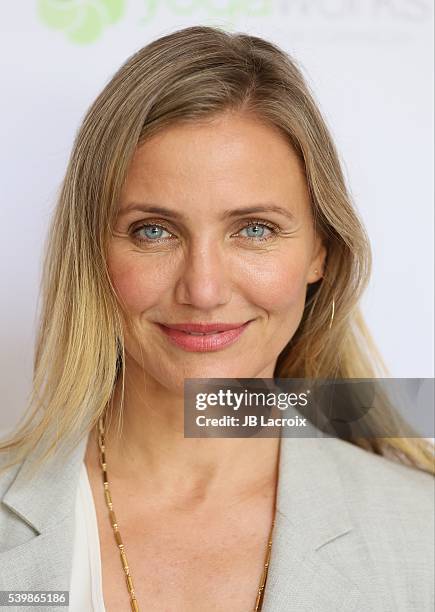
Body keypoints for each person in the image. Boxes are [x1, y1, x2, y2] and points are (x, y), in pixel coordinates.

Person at [0, 25, 433, 612]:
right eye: (153, 231)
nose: (202, 290)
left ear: (320, 252)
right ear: (92, 253)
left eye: (254, 229)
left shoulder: (419, 534)